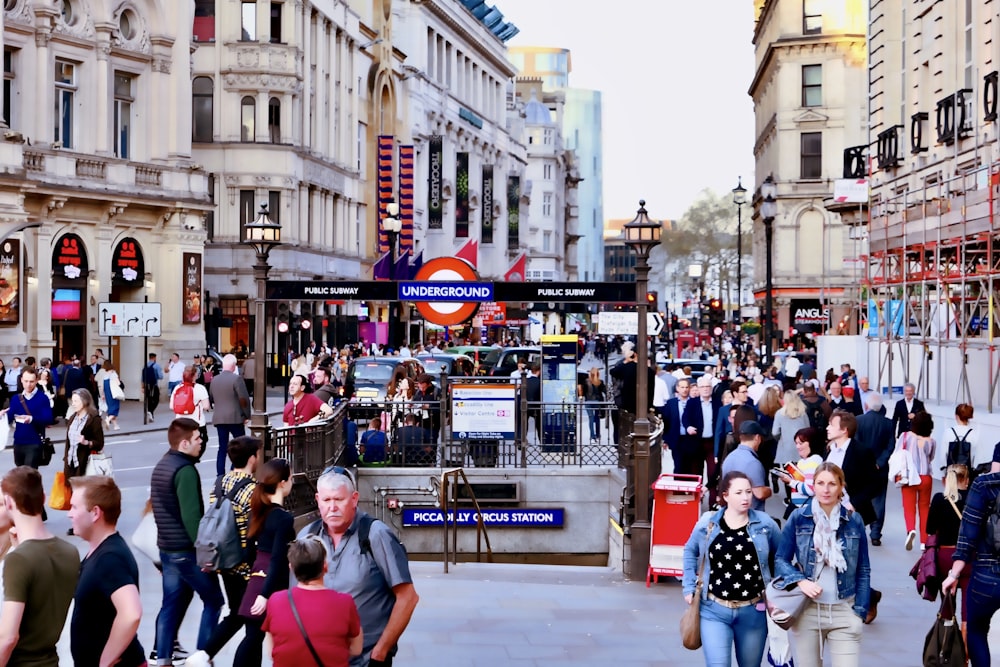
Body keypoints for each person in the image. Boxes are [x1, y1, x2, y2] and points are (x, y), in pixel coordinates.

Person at [299, 468, 419, 666]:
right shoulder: (307, 536)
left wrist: (380, 652)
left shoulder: (376, 535)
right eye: (327, 500)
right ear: (318, 500)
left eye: (339, 499)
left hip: (366, 659)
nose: (332, 507)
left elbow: (408, 597)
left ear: (354, 499)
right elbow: (296, 595)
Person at [189, 458, 296, 667]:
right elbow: (277, 559)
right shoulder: (283, 519)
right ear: (282, 483)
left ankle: (204, 655)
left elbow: (248, 552)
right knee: (255, 637)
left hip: (256, 577)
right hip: (270, 584)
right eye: (291, 478)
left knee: (253, 635)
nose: (292, 482)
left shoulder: (258, 513)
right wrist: (265, 594)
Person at [774, 462, 872, 667]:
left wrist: (860, 612)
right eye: (820, 483)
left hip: (844, 611)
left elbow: (863, 569)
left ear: (841, 487)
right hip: (808, 611)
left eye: (831, 484)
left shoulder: (854, 521)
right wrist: (800, 581)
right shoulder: (799, 518)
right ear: (814, 486)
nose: (825, 489)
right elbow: (781, 560)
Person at [681, 471, 781, 667]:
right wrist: (688, 586)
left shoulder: (765, 524)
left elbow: (781, 559)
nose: (745, 497)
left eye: (748, 492)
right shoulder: (708, 522)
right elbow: (690, 550)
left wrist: (778, 594)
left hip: (753, 610)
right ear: (725, 496)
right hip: (713, 609)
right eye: (739, 493)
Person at [150, 418, 224, 666]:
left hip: (167, 548)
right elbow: (192, 519)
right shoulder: (185, 471)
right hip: (186, 551)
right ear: (184, 443)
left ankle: (162, 659)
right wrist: (205, 554)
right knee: (214, 600)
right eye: (197, 438)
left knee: (171, 603)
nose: (201, 441)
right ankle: (203, 656)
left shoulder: (163, 464)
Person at [0, 466, 80, 666]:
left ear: (9, 502)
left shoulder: (18, 560)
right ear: (43, 498)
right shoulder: (70, 552)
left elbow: (8, 638)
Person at [193, 437, 259, 664]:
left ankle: (203, 654)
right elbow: (254, 530)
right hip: (245, 565)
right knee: (253, 625)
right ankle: (205, 654)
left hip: (223, 560)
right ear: (252, 458)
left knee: (237, 613)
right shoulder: (253, 489)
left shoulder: (219, 483)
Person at [68, 475, 145, 667]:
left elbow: (131, 613)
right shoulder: (101, 551)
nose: (69, 514)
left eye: (74, 507)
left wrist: (105, 661)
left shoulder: (109, 558)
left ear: (95, 513)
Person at [263, 536, 362, 667]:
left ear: (291, 568)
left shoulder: (275, 601)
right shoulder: (345, 602)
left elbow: (271, 651)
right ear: (325, 566)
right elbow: (356, 649)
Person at [942, 468, 1000, 666]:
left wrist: (954, 573)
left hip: (987, 573)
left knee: (977, 629)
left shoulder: (984, 485)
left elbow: (968, 535)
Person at [926, 464, 971, 630]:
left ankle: (946, 643)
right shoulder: (973, 499)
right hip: (968, 557)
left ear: (946, 479)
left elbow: (929, 529)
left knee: (947, 603)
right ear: (966, 480)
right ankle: (966, 651)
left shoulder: (939, 499)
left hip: (945, 555)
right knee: (969, 610)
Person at [853, 392, 895, 545]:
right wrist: (880, 462)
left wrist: (865, 462)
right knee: (879, 499)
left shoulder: (858, 421)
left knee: (861, 497)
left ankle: (860, 528)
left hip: (862, 467)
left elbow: (857, 443)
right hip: (880, 468)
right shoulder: (888, 423)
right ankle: (876, 532)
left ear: (867, 405)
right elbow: (890, 446)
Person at [64, 388, 104, 530]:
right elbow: (68, 441)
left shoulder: (94, 419)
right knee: (75, 496)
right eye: (72, 401)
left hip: (84, 463)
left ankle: (86, 523)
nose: (73, 404)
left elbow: (100, 443)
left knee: (85, 496)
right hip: (71, 462)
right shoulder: (73, 417)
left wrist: (86, 442)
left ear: (85, 401)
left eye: (76, 401)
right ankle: (78, 524)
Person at [897, 411, 936, 550]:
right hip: (925, 477)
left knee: (909, 507)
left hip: (909, 476)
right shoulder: (931, 441)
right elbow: (931, 458)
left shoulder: (905, 436)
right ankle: (924, 541)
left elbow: (897, 453)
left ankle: (911, 530)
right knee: (925, 507)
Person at [1, 367, 53, 468]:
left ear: (37, 380)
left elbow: (48, 419)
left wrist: (32, 419)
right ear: (21, 380)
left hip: (34, 442)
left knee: (29, 476)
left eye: (31, 381)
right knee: (20, 476)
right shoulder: (16, 398)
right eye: (26, 381)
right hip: (18, 442)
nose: (28, 384)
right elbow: (9, 418)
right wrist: (2, 416)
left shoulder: (42, 398)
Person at [209, 354, 251, 477]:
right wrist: (246, 415)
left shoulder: (214, 379)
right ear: (233, 366)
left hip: (220, 418)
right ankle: (234, 470)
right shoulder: (236, 379)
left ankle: (220, 474)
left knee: (222, 447)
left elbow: (212, 397)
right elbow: (243, 399)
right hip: (235, 418)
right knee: (240, 446)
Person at [720, 421, 772, 511]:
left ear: (741, 437)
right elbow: (759, 493)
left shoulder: (730, 457)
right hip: (751, 515)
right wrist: (768, 490)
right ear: (757, 438)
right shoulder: (752, 462)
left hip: (733, 512)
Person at [775, 427, 826, 517]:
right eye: (796, 443)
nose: (798, 446)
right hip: (800, 508)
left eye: (801, 443)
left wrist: (790, 481)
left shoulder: (813, 461)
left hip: (805, 510)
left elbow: (810, 489)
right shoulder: (804, 461)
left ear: (812, 443)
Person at [663, 377, 703, 476]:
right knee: (678, 466)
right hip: (677, 439)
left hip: (692, 439)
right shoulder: (671, 403)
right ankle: (678, 489)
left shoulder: (695, 402)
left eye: (686, 387)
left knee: (691, 466)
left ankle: (689, 489)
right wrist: (666, 439)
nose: (684, 389)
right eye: (682, 387)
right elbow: (667, 422)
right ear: (677, 388)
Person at [171, 366, 212, 444]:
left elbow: (171, 406)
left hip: (180, 422)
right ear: (195, 375)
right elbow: (206, 406)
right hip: (197, 423)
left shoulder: (177, 388)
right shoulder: (200, 388)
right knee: (198, 447)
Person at [772, 390, 810, 465]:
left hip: (785, 451)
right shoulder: (803, 413)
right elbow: (808, 431)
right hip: (801, 451)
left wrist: (780, 438)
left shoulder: (780, 414)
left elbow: (775, 432)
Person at [411, 373, 441, 444]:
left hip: (432, 424)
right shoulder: (418, 392)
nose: (422, 390)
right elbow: (415, 402)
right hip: (420, 423)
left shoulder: (436, 392)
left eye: (424, 388)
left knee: (431, 444)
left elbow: (442, 407)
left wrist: (429, 406)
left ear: (429, 384)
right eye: (420, 387)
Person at [583, 367, 607, 444]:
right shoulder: (600, 382)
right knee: (597, 419)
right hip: (597, 402)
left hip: (588, 402)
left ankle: (592, 436)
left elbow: (583, 392)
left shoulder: (586, 382)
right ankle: (598, 435)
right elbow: (605, 391)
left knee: (591, 418)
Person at [102, 360, 123, 431]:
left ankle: (115, 425)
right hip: (114, 393)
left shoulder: (105, 375)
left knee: (110, 408)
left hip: (107, 393)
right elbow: (118, 383)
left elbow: (103, 386)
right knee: (115, 408)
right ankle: (108, 419)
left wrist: (103, 394)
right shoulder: (113, 373)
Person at [143, 352, 164, 422]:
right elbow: (161, 376)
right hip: (154, 385)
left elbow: (142, 377)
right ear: (154, 358)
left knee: (149, 400)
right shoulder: (157, 366)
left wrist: (142, 386)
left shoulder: (145, 365)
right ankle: (150, 411)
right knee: (156, 399)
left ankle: (151, 416)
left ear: (149, 357)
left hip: (146, 385)